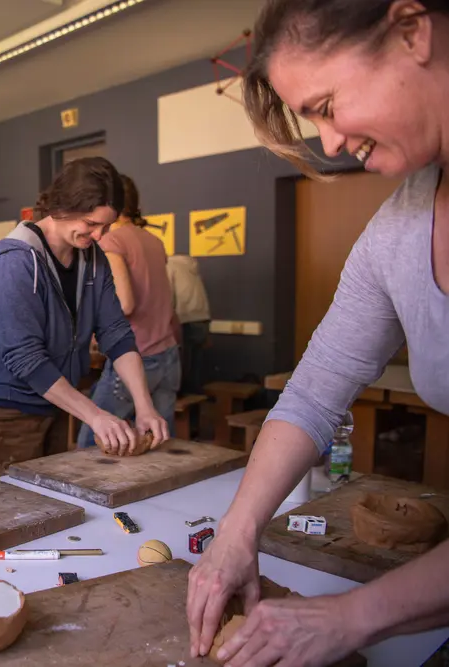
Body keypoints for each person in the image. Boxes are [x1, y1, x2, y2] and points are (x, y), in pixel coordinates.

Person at [187, 2, 449, 666]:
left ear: (412, 31)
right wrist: (236, 535)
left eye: (328, 107)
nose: (329, 144)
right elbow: (312, 393)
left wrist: (352, 617)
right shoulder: (397, 230)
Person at [0, 157, 170, 474]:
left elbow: (116, 334)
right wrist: (95, 415)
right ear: (62, 207)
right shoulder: (15, 260)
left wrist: (144, 407)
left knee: (55, 497)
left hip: (58, 401)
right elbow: (25, 358)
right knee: (17, 501)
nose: (99, 236)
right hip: (7, 411)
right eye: (91, 224)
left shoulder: (93, 258)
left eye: (106, 226)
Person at [77, 175, 179, 447]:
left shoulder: (112, 242)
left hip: (136, 356)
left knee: (90, 444)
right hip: (168, 354)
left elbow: (125, 304)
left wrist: (90, 327)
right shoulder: (153, 240)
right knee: (159, 443)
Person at [166, 254, 210, 396]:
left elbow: (167, 296)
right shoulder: (188, 266)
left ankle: (180, 397)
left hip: (184, 319)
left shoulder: (168, 266)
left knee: (181, 362)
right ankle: (194, 399)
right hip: (202, 317)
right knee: (195, 366)